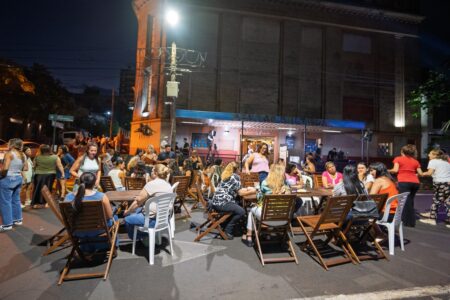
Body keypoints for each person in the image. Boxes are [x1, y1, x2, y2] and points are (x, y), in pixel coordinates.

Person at [64, 172, 116, 252]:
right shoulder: (101, 196)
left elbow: (67, 217)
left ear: (80, 182)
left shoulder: (68, 197)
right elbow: (109, 216)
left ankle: (86, 247)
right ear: (94, 183)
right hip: (98, 229)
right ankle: (111, 245)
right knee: (115, 217)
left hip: (77, 230)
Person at [242, 163, 290, 247]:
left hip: (267, 217)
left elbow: (259, 198)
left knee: (251, 211)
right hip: (283, 219)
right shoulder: (286, 186)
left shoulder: (265, 183)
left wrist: (258, 191)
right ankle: (267, 234)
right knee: (268, 209)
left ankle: (249, 236)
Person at [124, 164, 173, 241]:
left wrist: (127, 211)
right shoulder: (168, 185)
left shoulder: (152, 184)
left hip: (151, 221)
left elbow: (137, 202)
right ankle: (147, 236)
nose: (151, 172)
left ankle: (139, 236)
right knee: (137, 211)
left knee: (127, 219)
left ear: (156, 173)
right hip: (164, 219)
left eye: (152, 170)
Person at [210, 162, 255, 239]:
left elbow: (236, 189)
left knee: (238, 204)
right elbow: (240, 193)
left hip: (216, 202)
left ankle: (225, 224)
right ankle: (228, 230)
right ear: (237, 169)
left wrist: (247, 189)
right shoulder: (235, 177)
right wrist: (254, 191)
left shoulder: (225, 176)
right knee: (241, 211)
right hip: (223, 203)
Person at [389, 144, 422, 227]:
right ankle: (410, 220)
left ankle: (407, 221)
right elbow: (420, 173)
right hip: (415, 182)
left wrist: (386, 170)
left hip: (404, 181)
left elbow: (395, 170)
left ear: (402, 151)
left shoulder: (398, 158)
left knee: (403, 201)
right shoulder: (415, 161)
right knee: (410, 201)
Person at [0, 139, 28, 231]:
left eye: (8, 143)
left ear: (12, 144)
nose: (7, 144)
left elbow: (5, 169)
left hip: (8, 179)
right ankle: (18, 219)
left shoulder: (9, 153)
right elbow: (25, 168)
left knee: (5, 202)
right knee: (16, 199)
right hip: (18, 178)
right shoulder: (23, 154)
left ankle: (7, 224)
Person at [419, 149, 450, 226]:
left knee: (436, 201)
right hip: (448, 183)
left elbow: (429, 173)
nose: (428, 155)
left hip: (440, 183)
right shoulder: (446, 162)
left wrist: (420, 174)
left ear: (435, 155)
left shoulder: (433, 161)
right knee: (448, 201)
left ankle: (432, 219)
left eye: (430, 154)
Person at [32, 144, 64, 209]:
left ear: (41, 150)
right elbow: (60, 166)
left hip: (39, 174)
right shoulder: (55, 157)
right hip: (50, 175)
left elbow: (34, 166)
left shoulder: (37, 157)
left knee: (38, 188)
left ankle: (36, 203)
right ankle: (47, 203)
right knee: (48, 189)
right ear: (49, 150)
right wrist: (63, 174)